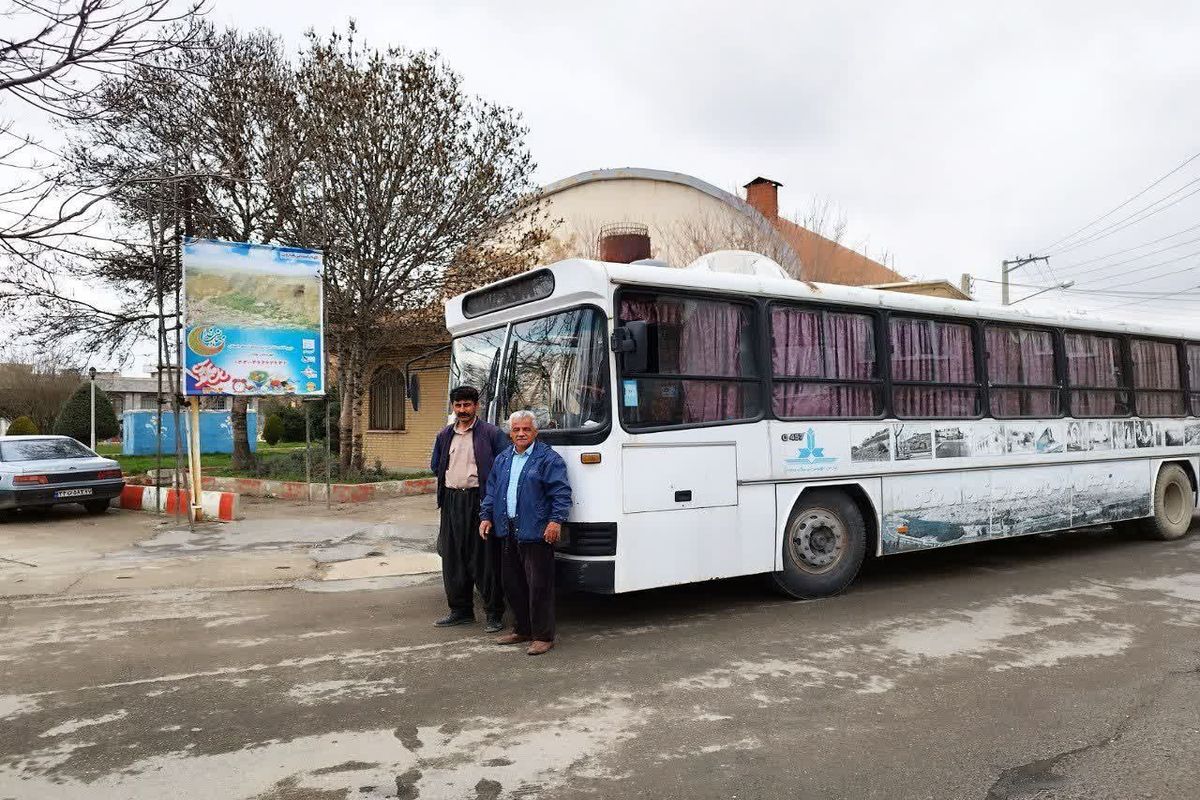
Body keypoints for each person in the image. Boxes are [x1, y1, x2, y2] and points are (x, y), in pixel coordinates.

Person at [480, 409, 572, 656]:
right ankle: (522, 629)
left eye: (526, 429)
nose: (521, 434)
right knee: (513, 584)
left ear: (535, 432)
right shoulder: (503, 459)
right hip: (507, 528)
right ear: (510, 433)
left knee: (539, 586)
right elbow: (491, 491)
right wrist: (486, 516)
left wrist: (555, 521)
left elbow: (560, 494)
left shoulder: (548, 459)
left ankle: (543, 636)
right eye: (517, 429)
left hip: (537, 530)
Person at [430, 385, 509, 632]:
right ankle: (460, 610)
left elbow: (504, 469)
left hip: (480, 501)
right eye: (458, 405)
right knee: (453, 559)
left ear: (477, 406)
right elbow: (436, 466)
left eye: (467, 405)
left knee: (483, 560)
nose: (462, 410)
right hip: (452, 502)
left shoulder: (492, 434)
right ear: (453, 407)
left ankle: (494, 614)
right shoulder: (444, 435)